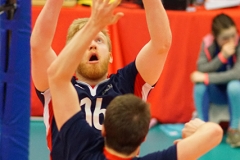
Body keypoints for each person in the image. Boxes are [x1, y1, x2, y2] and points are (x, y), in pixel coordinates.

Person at [47, 29, 223, 159]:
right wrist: (199, 128)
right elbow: (214, 132)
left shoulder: (81, 151)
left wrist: (95, 23)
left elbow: (56, 76)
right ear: (144, 137)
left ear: (104, 130)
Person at [30, 0, 172, 159]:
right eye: (84, 43)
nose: (92, 46)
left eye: (99, 40)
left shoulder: (128, 83)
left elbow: (161, 45)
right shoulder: (59, 87)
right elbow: (39, 47)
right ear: (72, 56)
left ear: (111, 56)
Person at [190, 13, 240, 148]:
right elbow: (201, 67)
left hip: (235, 93)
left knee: (235, 85)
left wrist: (207, 78)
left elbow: (237, 73)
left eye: (233, 36)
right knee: (199, 85)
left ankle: (234, 131)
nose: (231, 41)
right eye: (225, 38)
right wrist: (222, 57)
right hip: (216, 92)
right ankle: (202, 128)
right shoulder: (208, 43)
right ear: (215, 37)